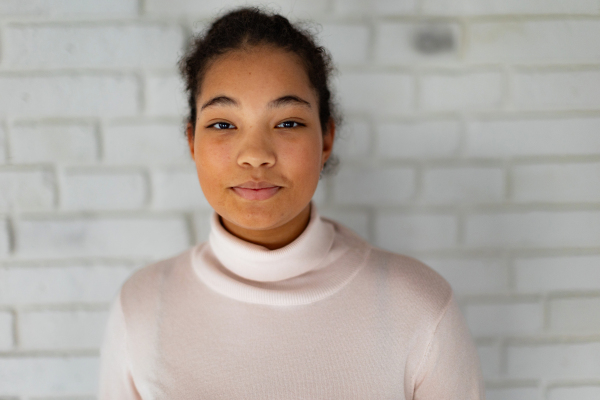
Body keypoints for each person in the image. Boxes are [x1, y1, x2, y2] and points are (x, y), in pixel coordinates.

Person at [98, 7, 485, 399]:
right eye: (223, 124)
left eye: (287, 123)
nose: (255, 155)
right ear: (192, 142)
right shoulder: (142, 308)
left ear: (327, 140)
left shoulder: (420, 307)